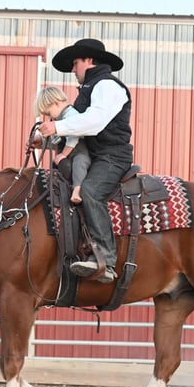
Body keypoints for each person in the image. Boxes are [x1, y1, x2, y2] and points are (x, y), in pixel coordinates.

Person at [37, 38, 134, 283]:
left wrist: (56, 126)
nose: (73, 69)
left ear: (89, 61)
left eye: (75, 63)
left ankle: (106, 261)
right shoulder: (89, 89)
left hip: (111, 157)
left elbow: (94, 122)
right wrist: (45, 140)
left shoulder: (108, 86)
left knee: (89, 191)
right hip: (93, 156)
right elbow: (76, 131)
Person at [33, 86, 90, 204]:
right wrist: (39, 142)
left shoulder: (71, 115)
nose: (50, 117)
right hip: (68, 155)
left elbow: (74, 136)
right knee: (57, 166)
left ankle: (77, 189)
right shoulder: (59, 119)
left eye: (48, 113)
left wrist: (63, 154)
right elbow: (56, 140)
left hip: (80, 151)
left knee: (80, 163)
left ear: (56, 103)